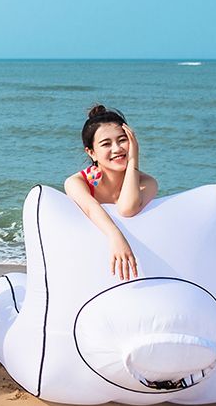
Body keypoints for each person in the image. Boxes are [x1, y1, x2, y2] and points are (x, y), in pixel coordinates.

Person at [62, 103, 159, 281]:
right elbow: (91, 208)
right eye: (106, 144)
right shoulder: (78, 182)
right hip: (86, 267)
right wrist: (115, 236)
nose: (117, 148)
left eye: (122, 140)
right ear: (91, 152)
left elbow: (127, 208)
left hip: (134, 272)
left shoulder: (147, 183)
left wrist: (133, 159)